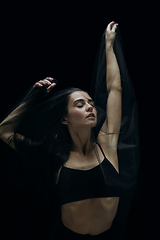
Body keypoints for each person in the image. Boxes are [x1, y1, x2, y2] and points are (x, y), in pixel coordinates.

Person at [0, 22, 140, 240]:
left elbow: (114, 88)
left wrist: (109, 46)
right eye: (80, 104)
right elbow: (4, 131)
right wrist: (32, 96)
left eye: (90, 102)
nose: (90, 107)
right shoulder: (54, 157)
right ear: (64, 119)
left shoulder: (107, 144)